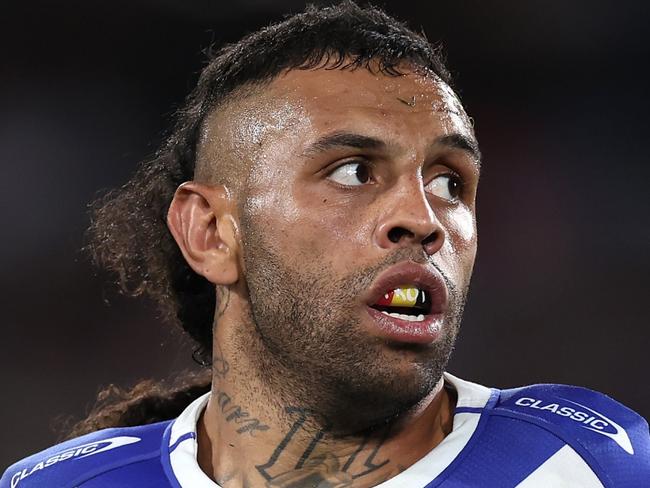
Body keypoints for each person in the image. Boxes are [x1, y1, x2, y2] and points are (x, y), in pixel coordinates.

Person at [2, 2, 648, 487]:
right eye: (353, 171)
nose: (422, 219)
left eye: (450, 181)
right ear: (210, 233)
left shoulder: (588, 465)